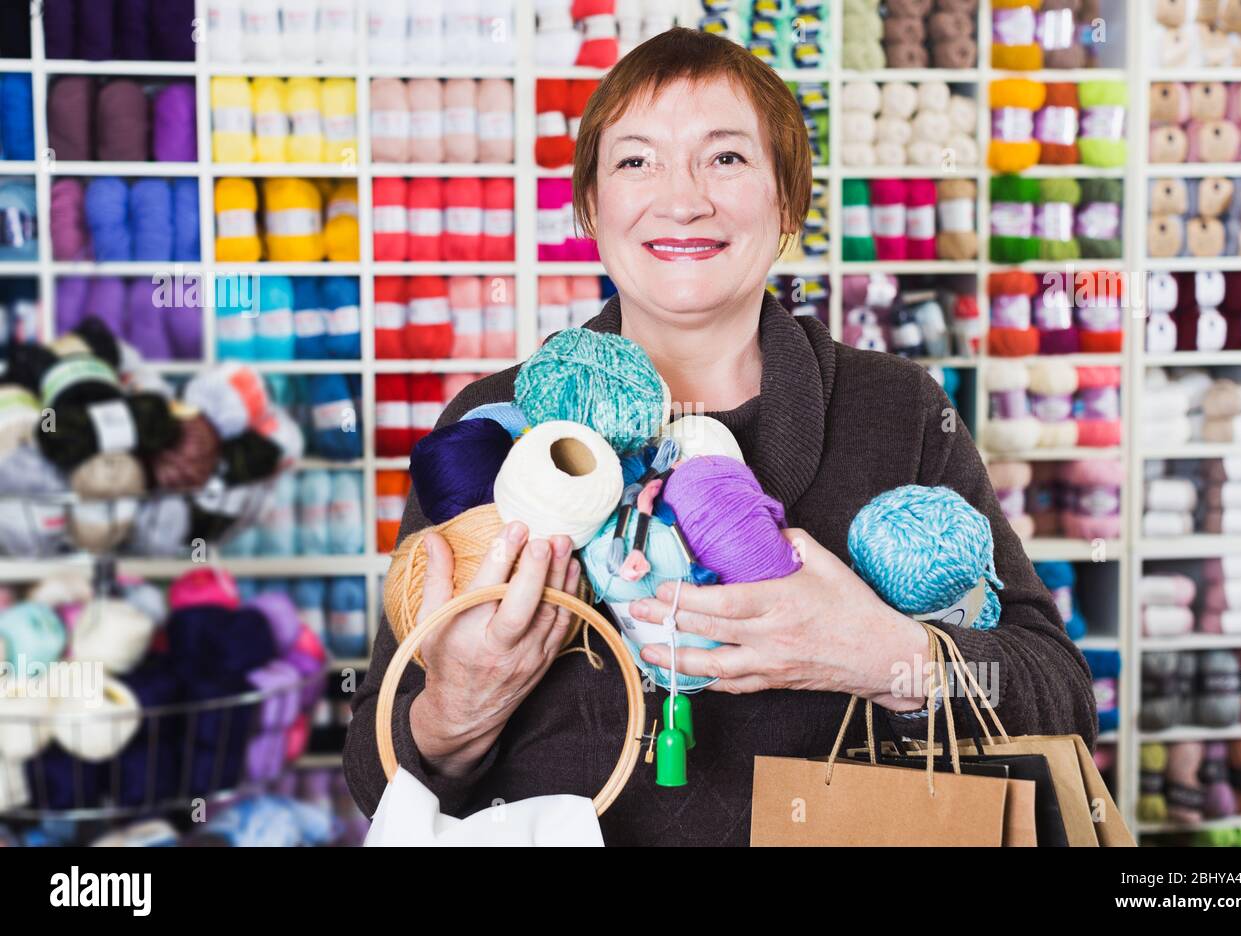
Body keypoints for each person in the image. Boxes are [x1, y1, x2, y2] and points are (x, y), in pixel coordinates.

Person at [345, 28, 1096, 846]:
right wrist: (462, 707)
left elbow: (1059, 694)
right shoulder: (493, 431)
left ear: (788, 200)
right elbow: (376, 773)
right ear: (591, 205)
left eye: (726, 158)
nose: (683, 199)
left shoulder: (899, 408)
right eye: (636, 161)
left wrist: (887, 657)